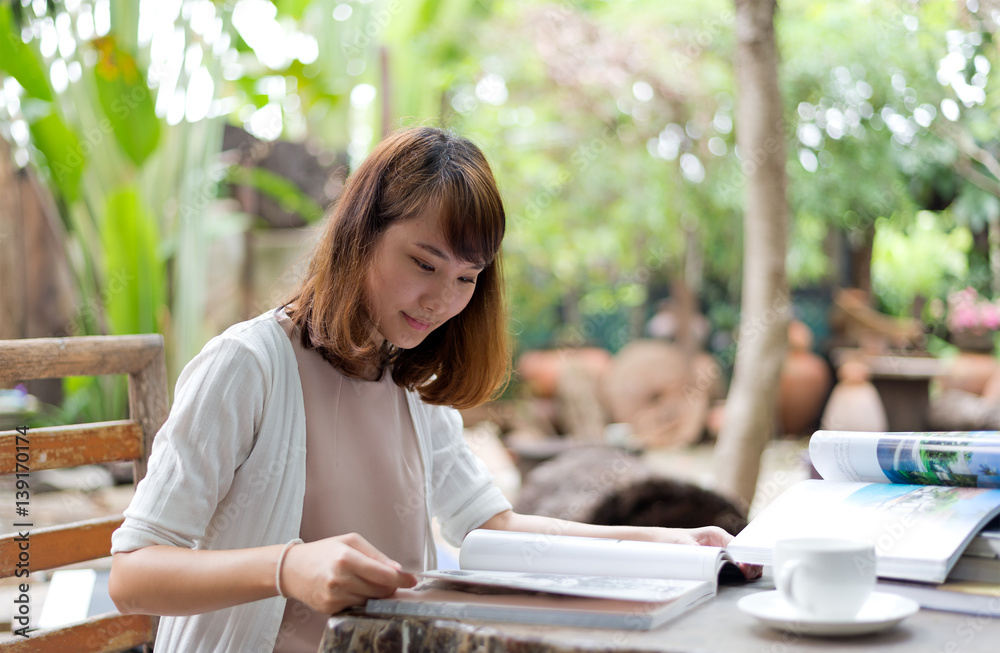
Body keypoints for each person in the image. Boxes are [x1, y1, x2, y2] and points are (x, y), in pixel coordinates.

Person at [108, 127, 743, 653]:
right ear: (359, 235)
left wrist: (667, 544)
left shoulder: (406, 378)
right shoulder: (247, 366)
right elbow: (133, 575)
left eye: (467, 278)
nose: (443, 300)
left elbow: (491, 526)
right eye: (423, 262)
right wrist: (287, 567)